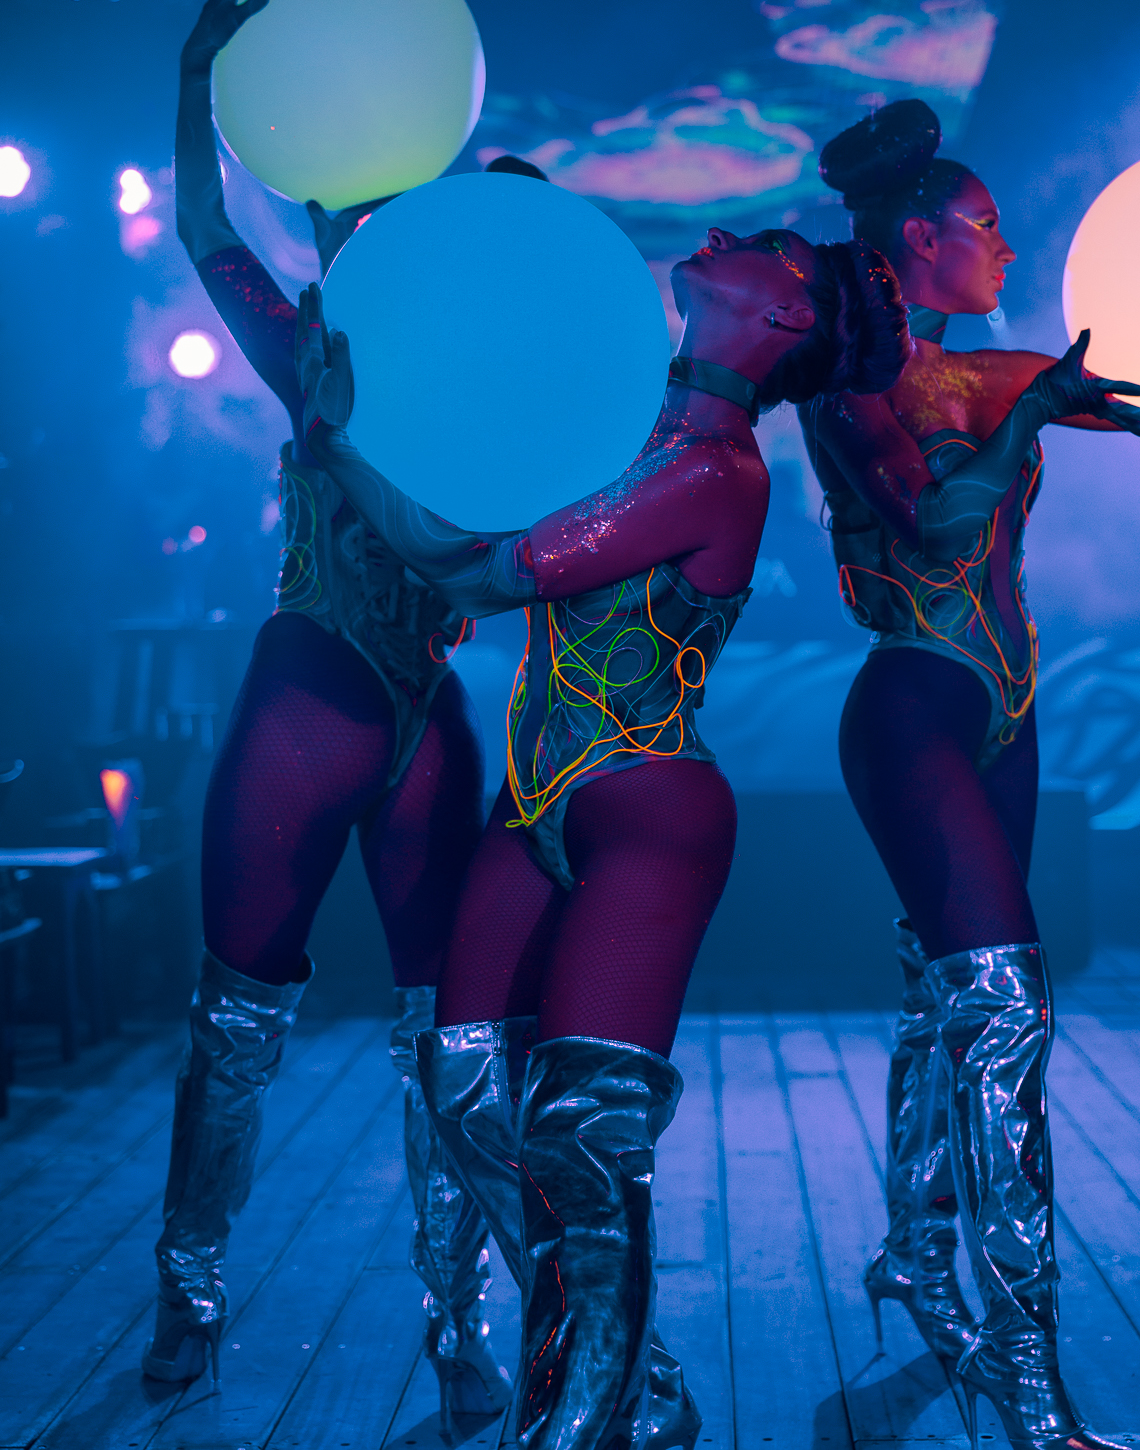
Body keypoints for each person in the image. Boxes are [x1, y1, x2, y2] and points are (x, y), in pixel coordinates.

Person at [296, 220, 909, 1449]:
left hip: (647, 811)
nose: (722, 230)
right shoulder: (618, 422)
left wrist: (339, 435)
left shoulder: (717, 470)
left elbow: (489, 570)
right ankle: (643, 1380)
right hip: (534, 809)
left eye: (765, 242)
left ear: (785, 316)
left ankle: (577, 1429)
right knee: (465, 1087)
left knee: (583, 1136)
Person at [146, 0, 510, 1420]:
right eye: (334, 222)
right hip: (310, 695)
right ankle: (187, 1293)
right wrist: (196, 82)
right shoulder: (303, 346)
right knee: (237, 1014)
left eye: (374, 221)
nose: (347, 237)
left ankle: (462, 1324)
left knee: (455, 1034)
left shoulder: (478, 374)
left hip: (423, 706)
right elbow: (201, 226)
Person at [800, 99, 1140, 1450]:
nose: (1008, 249)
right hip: (915, 706)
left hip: (1005, 707)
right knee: (1008, 1017)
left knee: (940, 998)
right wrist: (1034, 421)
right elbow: (940, 526)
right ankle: (1029, 1385)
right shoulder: (850, 394)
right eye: (988, 228)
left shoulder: (992, 373)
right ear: (920, 240)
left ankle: (913, 1250)